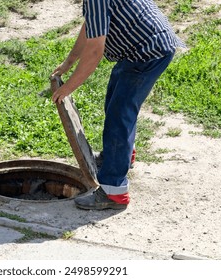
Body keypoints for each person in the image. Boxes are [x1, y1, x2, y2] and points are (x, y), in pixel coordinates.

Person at [51, 0, 186, 210]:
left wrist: (68, 88)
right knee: (116, 101)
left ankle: (113, 192)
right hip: (141, 48)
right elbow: (90, 27)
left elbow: (95, 51)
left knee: (119, 117)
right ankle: (120, 156)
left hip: (147, 53)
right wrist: (69, 62)